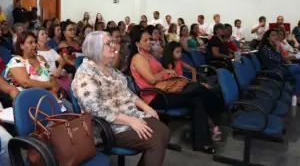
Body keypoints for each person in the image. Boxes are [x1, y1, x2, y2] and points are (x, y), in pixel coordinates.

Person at [72, 31, 170, 166]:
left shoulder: (110, 69)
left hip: (129, 115)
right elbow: (95, 109)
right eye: (108, 43)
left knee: (164, 131)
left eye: (112, 42)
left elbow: (127, 92)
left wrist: (147, 107)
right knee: (156, 140)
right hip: (108, 127)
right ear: (95, 48)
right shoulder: (85, 74)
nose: (114, 46)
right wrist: (131, 121)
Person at [129, 27, 219, 153]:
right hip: (154, 97)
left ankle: (201, 142)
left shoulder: (149, 56)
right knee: (197, 88)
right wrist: (165, 71)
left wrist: (169, 75)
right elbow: (151, 80)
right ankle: (218, 108)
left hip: (166, 90)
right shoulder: (138, 58)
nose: (149, 42)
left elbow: (160, 75)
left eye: (150, 39)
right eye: (145, 40)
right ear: (137, 44)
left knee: (197, 99)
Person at [4, 32, 72, 111]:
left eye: (35, 42)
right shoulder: (16, 61)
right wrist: (50, 85)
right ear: (22, 46)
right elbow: (26, 83)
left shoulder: (41, 58)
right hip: (31, 102)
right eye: (30, 43)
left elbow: (51, 75)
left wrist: (54, 87)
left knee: (69, 108)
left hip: (50, 96)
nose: (34, 45)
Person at [259, 29, 300, 104]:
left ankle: (297, 98)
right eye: (273, 35)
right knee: (298, 67)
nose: (276, 36)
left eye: (276, 34)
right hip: (273, 71)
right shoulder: (265, 48)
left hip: (280, 68)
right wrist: (277, 46)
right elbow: (279, 60)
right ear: (268, 38)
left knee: (298, 76)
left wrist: (277, 47)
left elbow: (280, 59)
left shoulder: (272, 46)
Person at [36, 28, 71, 95]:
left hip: (56, 75)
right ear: (37, 37)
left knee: (70, 85)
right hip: (46, 77)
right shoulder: (36, 51)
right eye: (42, 34)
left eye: (46, 34)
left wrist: (59, 68)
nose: (45, 35)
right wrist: (51, 74)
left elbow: (62, 60)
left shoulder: (51, 50)